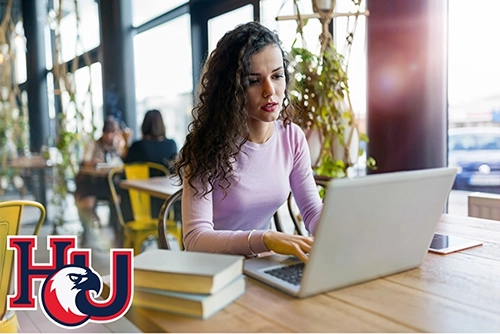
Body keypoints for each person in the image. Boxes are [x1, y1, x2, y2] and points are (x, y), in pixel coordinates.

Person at [175, 21, 323, 263]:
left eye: (277, 76)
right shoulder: (206, 146)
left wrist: (342, 227)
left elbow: (312, 212)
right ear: (231, 88)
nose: (270, 91)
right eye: (254, 81)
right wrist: (265, 239)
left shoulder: (291, 137)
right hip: (212, 272)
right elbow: (195, 239)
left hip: (261, 266)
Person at [74, 116, 129, 226]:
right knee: (86, 201)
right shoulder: (93, 144)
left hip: (112, 183)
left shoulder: (118, 145)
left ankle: (116, 226)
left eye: (112, 132)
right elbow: (84, 162)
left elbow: (126, 160)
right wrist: (93, 163)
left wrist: (125, 141)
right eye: (106, 132)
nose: (109, 136)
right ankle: (91, 227)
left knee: (120, 196)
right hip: (94, 183)